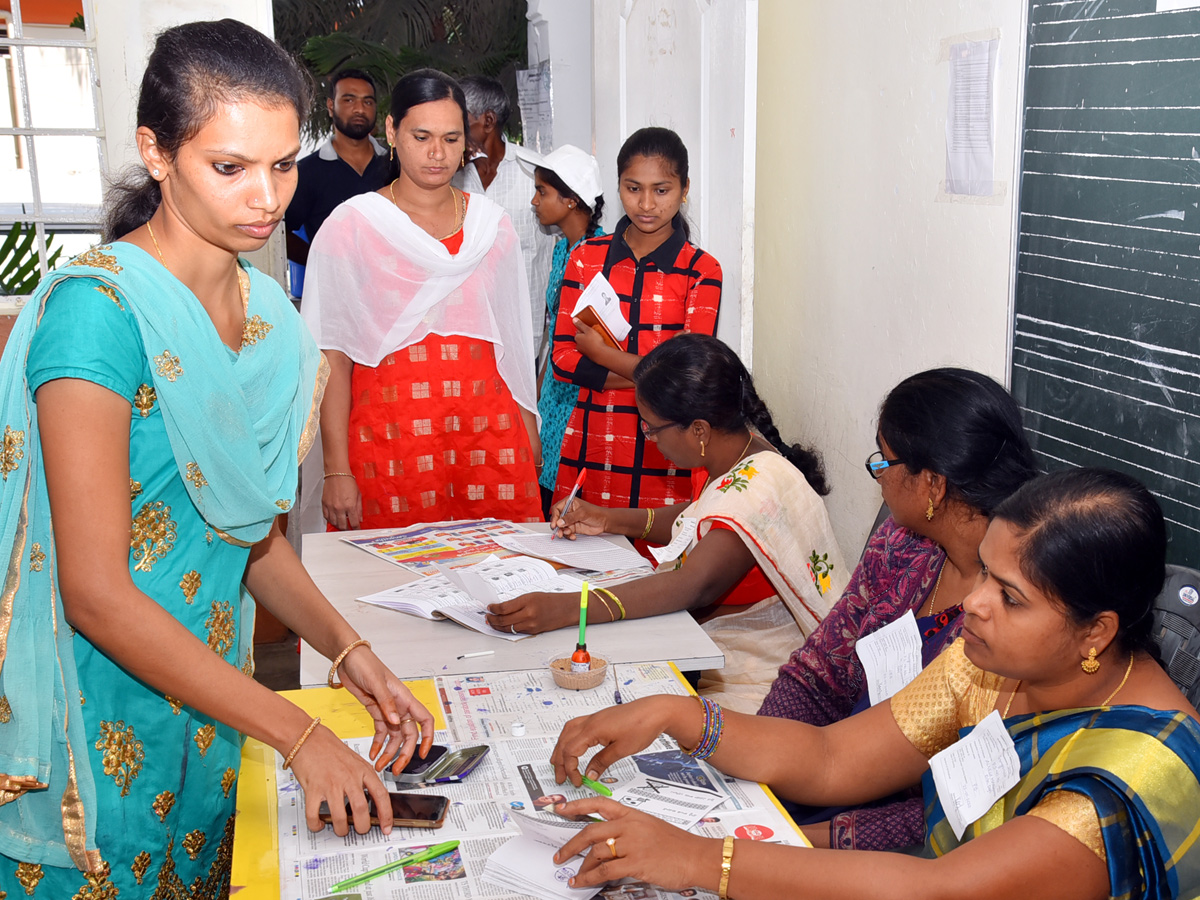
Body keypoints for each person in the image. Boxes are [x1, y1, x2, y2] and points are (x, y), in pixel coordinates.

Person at [0, 20, 434, 899]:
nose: (266, 197)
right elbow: (94, 592)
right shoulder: (99, 316)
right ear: (155, 152)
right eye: (229, 167)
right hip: (97, 703)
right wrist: (300, 734)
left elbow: (250, 538)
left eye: (281, 165)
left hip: (215, 697)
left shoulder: (269, 317)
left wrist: (351, 652)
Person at [547, 468, 1200, 900]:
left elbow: (938, 890)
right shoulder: (994, 663)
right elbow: (834, 760)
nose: (973, 604)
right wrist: (679, 715)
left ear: (1095, 632)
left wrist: (698, 861)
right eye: (982, 576)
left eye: (1010, 596)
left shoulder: (1124, 782)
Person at [487, 334, 847, 713]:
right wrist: (608, 517)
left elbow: (692, 586)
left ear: (699, 430)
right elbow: (701, 514)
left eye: (651, 429)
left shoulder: (756, 489)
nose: (649, 440)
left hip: (763, 681)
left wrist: (567, 609)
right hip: (722, 655)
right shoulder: (743, 448)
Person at [757, 367, 1037, 850]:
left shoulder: (1019, 615)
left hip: (917, 842)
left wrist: (807, 840)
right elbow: (819, 672)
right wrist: (760, 766)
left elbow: (960, 805)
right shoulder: (903, 545)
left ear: (932, 484)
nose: (878, 476)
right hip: (828, 771)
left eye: (883, 461)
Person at [303, 69, 542, 531]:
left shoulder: (491, 228)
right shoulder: (352, 227)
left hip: (486, 435)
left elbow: (513, 342)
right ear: (391, 131)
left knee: (498, 579)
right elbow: (330, 356)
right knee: (388, 585)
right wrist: (336, 467)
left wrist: (527, 434)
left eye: (452, 139)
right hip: (389, 438)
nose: (438, 153)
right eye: (422, 136)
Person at [551, 127, 722, 515]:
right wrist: (650, 369)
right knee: (581, 565)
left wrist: (600, 355)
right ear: (618, 187)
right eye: (633, 188)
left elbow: (688, 378)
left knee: (659, 563)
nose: (646, 203)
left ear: (684, 188)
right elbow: (562, 359)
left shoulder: (701, 270)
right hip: (593, 443)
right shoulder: (586, 259)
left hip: (668, 453)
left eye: (661, 190)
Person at [510, 143, 607, 517]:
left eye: (542, 191)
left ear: (570, 200)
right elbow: (555, 333)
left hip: (579, 396)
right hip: (554, 392)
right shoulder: (560, 249)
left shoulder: (599, 255)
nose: (534, 201)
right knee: (546, 489)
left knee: (570, 494)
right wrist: (535, 396)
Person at [453, 75, 555, 356]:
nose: (451, 130)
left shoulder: (534, 172)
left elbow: (562, 246)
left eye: (460, 121)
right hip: (467, 327)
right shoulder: (449, 177)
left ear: (487, 121)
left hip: (525, 329)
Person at [284, 68, 390, 269]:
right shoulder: (307, 172)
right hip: (337, 293)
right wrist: (320, 263)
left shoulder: (395, 165)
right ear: (331, 106)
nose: (360, 109)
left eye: (367, 101)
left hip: (396, 288)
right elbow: (281, 233)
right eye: (349, 100)